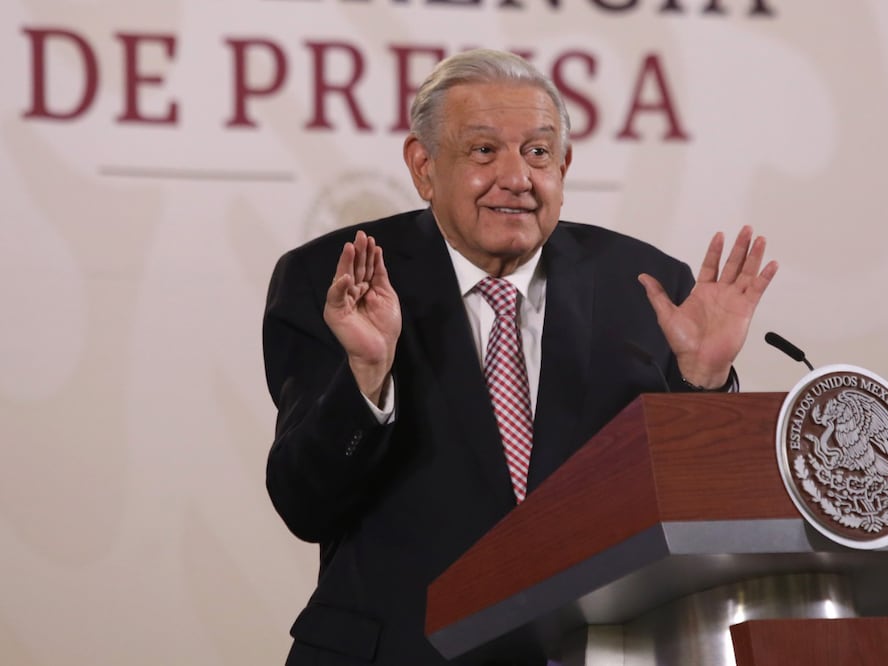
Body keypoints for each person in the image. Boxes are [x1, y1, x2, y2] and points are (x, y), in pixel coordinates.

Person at [263, 48, 778, 666]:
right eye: (483, 151)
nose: (517, 177)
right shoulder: (338, 279)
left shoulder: (647, 287)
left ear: (563, 165)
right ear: (424, 167)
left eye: (538, 153)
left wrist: (704, 382)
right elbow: (305, 503)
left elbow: (698, 513)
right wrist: (367, 380)